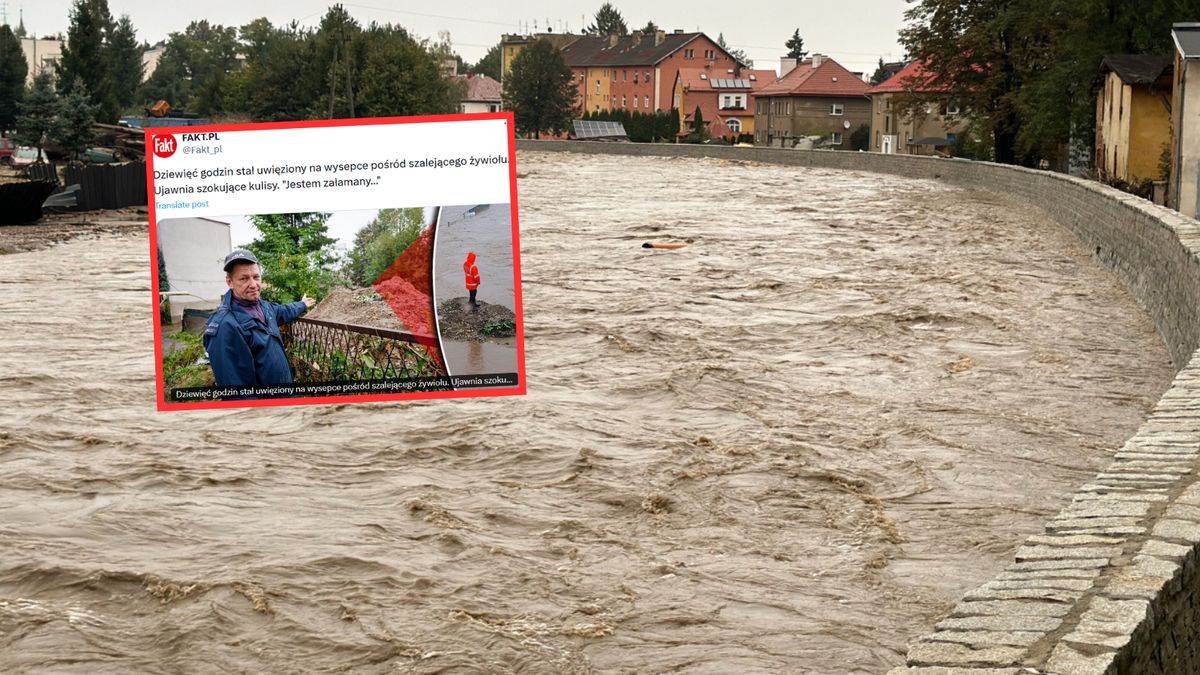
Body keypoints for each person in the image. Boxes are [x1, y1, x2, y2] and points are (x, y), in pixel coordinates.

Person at [203, 250, 315, 392]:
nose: (253, 284)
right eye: (244, 279)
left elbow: (284, 311)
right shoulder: (225, 327)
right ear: (229, 282)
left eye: (256, 277)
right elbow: (239, 394)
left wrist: (302, 304)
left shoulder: (264, 307)